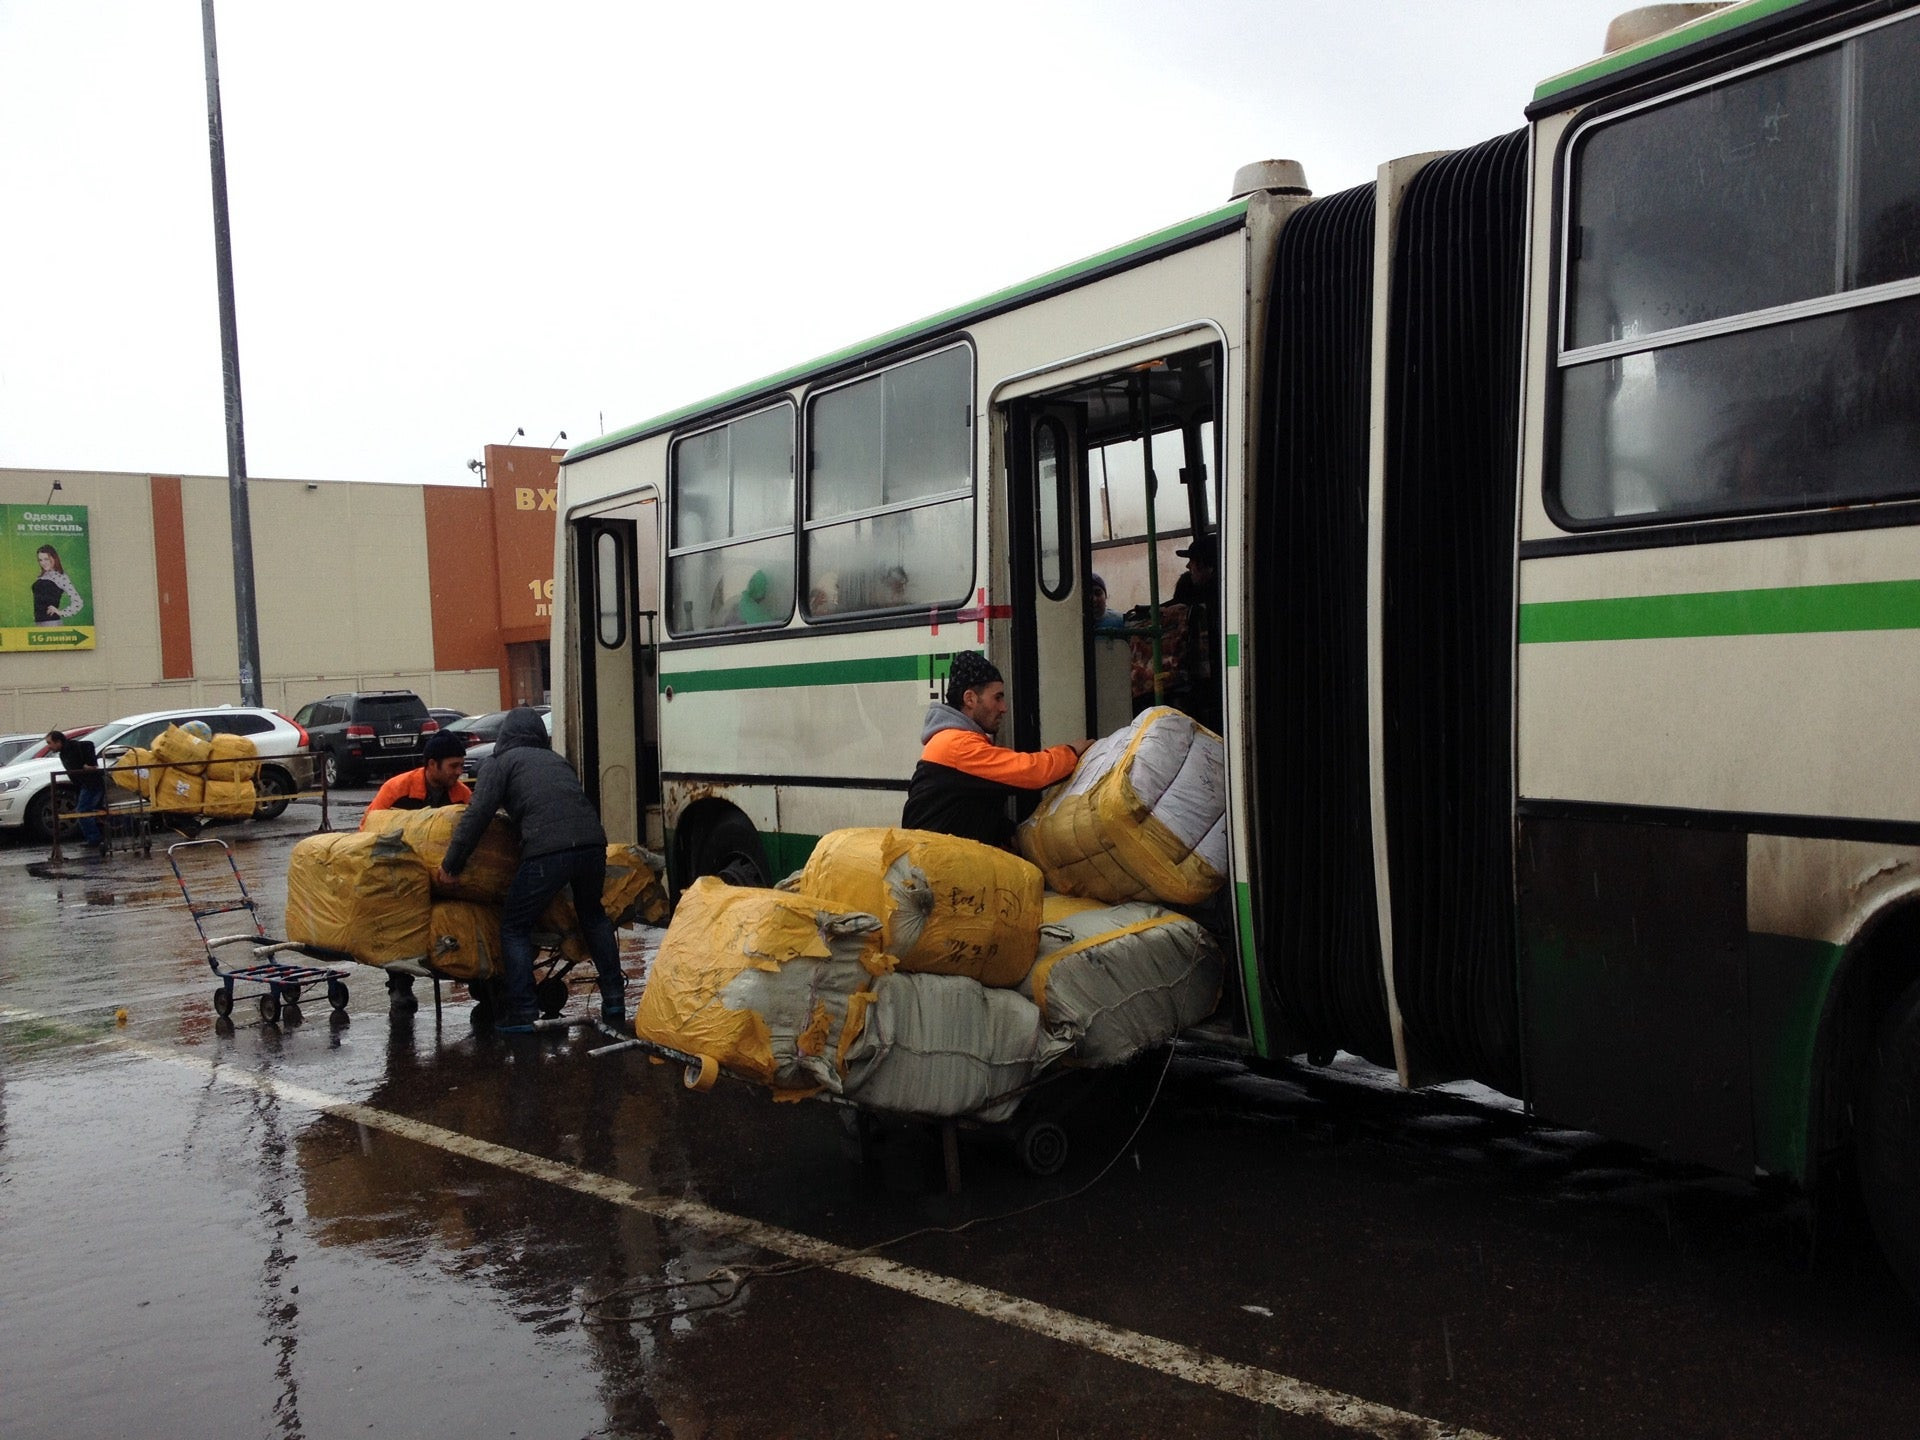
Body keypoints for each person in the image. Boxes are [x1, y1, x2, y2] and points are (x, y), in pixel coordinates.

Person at [434, 708, 625, 1032]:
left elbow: (477, 815)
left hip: (548, 850)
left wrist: (451, 865)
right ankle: (614, 999)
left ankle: (522, 1012)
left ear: (506, 734)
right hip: (593, 845)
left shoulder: (500, 762)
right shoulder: (556, 761)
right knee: (593, 916)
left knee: (514, 926)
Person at [901, 651, 1089, 848]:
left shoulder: (952, 741)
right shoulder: (957, 746)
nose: (1003, 708)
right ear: (970, 699)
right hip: (939, 867)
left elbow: (971, 810)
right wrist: (1072, 751)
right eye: (997, 698)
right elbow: (1031, 772)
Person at [360, 729, 473, 828]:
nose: (459, 772)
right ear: (432, 764)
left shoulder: (463, 795)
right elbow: (368, 826)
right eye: (453, 766)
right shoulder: (396, 789)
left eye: (461, 765)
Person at [44, 728, 105, 850]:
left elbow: (89, 744)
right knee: (96, 811)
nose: (48, 747)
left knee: (83, 810)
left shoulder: (71, 747)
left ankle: (94, 839)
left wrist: (90, 764)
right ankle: (127, 825)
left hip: (91, 784)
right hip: (85, 785)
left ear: (58, 741)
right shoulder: (64, 752)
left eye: (49, 743)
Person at [33, 545, 84, 626]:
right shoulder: (43, 575)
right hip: (39, 623)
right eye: (40, 560)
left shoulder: (60, 576)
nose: (43, 563)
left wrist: (61, 612)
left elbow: (78, 602)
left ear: (54, 558)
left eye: (46, 559)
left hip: (52, 623)